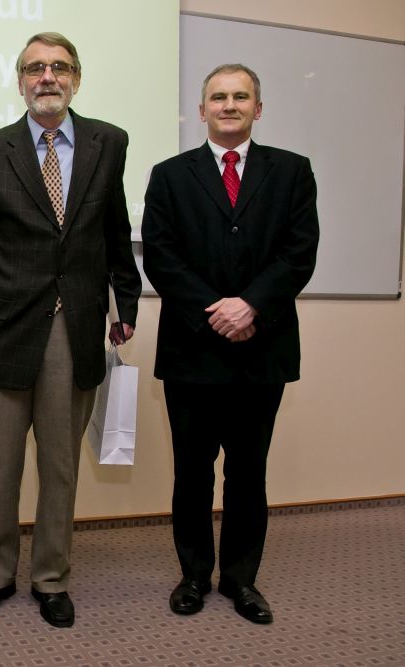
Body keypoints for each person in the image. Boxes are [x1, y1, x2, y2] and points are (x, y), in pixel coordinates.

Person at [0, 32, 141, 628]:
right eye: (35, 68)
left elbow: (115, 229)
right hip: (4, 329)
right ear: (20, 81)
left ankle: (51, 578)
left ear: (76, 78)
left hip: (74, 325)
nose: (47, 77)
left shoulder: (109, 142)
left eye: (59, 67)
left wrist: (125, 301)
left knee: (61, 466)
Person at [142, 64, 319, 625]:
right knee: (192, 474)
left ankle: (241, 580)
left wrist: (251, 306)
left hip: (262, 349)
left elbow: (299, 252)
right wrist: (216, 311)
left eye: (241, 97)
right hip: (192, 350)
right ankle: (194, 575)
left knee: (248, 473)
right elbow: (161, 256)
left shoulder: (292, 171)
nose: (229, 105)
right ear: (202, 110)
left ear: (257, 109)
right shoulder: (169, 175)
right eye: (218, 97)